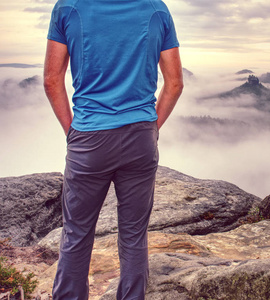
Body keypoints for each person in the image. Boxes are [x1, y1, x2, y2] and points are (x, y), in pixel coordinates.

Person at [43, 0, 183, 298]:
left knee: (77, 233)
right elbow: (175, 83)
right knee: (134, 234)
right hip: (141, 138)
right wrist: (151, 128)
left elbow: (52, 79)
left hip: (89, 137)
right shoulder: (155, 9)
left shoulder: (69, 7)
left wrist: (72, 131)